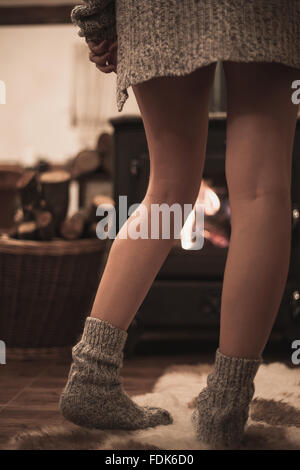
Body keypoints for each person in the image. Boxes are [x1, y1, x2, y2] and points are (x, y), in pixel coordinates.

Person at [59, 0, 300, 447]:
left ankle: (92, 375)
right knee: (261, 190)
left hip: (158, 10)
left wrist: (97, 17)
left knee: (166, 189)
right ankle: (225, 406)